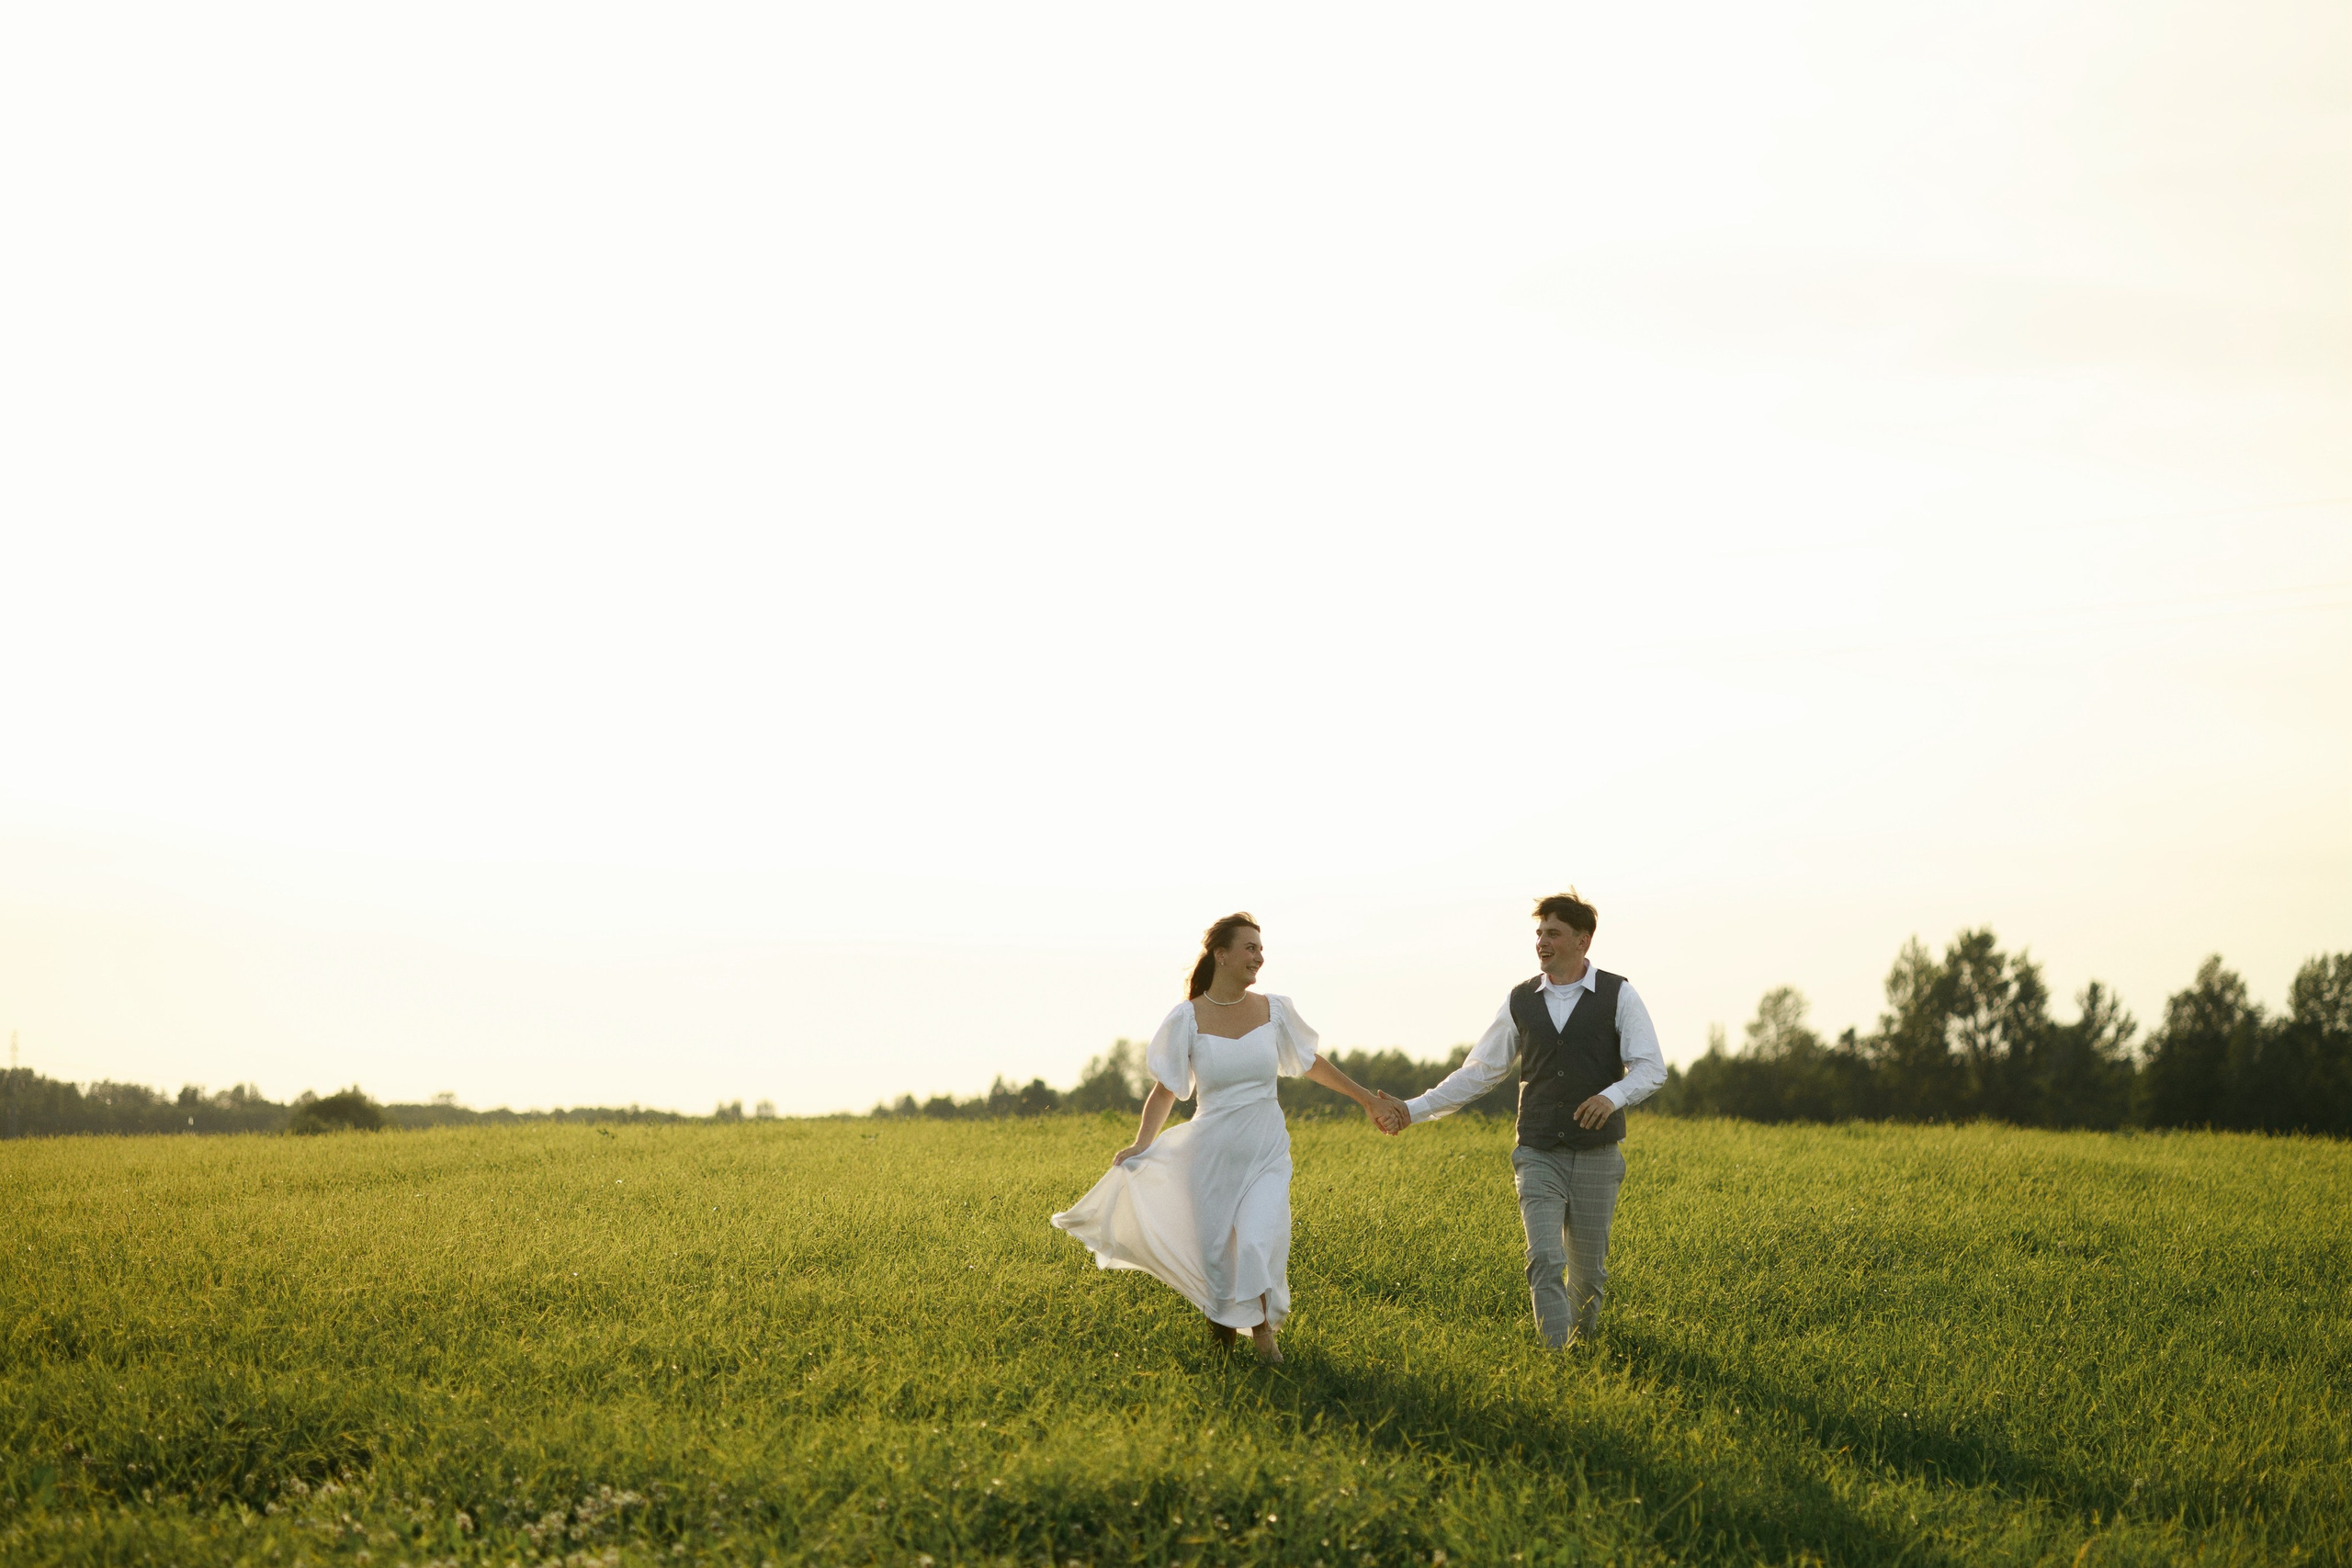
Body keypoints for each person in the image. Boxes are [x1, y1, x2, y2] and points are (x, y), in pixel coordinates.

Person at [1050, 912, 1389, 1363]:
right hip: (1210, 1156)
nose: (1259, 957)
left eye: (1261, 949)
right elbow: (1166, 1089)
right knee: (1217, 1261)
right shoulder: (1187, 1018)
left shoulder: (1275, 1010)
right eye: (1250, 948)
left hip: (1265, 1149)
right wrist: (1142, 1144)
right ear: (1221, 955)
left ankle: (1264, 1335)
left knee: (1254, 1240)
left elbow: (1310, 1062)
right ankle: (1222, 1355)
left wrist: (1366, 1099)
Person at [1370, 891, 1667, 1348]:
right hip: (1537, 1151)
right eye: (1539, 933)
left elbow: (1650, 1066)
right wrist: (1413, 1109)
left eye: (1554, 933)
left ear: (1582, 941)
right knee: (1544, 1258)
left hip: (1597, 1154)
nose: (1542, 943)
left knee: (1588, 1275)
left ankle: (1582, 1353)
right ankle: (1555, 1360)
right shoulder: (1521, 1000)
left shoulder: (1618, 993)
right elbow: (1481, 1072)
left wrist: (1611, 1097)